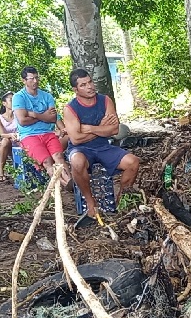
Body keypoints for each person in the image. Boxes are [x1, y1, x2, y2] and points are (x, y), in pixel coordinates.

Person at [63, 68, 140, 228]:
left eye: (90, 81)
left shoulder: (105, 101)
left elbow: (114, 130)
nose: (90, 86)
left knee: (133, 162)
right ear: (75, 90)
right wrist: (100, 127)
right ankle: (90, 203)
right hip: (81, 149)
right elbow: (76, 139)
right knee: (77, 162)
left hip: (104, 147)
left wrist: (89, 128)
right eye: (83, 85)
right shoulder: (70, 109)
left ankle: (120, 204)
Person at [12, 66, 72, 189]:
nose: (35, 81)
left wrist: (33, 114)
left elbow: (52, 118)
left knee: (59, 157)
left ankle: (71, 182)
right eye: (31, 79)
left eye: (36, 78)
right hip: (29, 135)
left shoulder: (47, 96)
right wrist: (43, 115)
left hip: (48, 133)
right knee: (47, 161)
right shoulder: (18, 97)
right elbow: (22, 121)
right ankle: (65, 184)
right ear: (24, 81)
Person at [0, 91, 18, 181]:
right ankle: (1, 171)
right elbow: (2, 134)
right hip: (8, 145)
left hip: (20, 141)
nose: (14, 102)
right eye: (11, 100)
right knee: (5, 140)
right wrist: (11, 135)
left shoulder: (18, 115)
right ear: (4, 103)